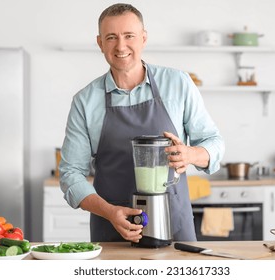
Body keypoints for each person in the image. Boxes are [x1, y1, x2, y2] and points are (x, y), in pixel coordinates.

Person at [59, 3, 224, 243]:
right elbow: (70, 173)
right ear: (100, 43)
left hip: (174, 227)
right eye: (111, 37)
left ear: (143, 38)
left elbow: (214, 142)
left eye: (129, 36)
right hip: (112, 230)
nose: (121, 46)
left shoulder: (178, 83)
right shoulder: (85, 101)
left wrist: (190, 154)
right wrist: (109, 212)